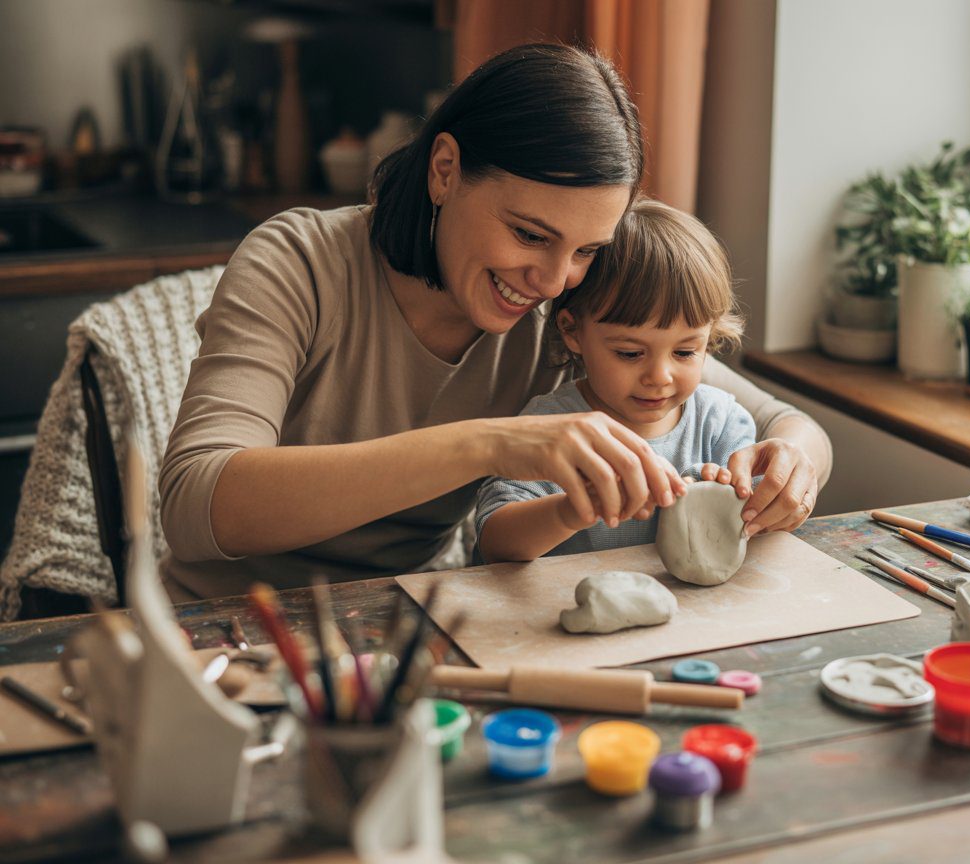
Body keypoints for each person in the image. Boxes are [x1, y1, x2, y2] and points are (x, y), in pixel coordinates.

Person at [159, 43, 832, 600]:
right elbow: (197, 504)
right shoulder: (298, 263)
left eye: (587, 250)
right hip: (227, 626)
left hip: (406, 618)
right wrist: (491, 444)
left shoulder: (570, 309)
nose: (553, 281)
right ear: (446, 170)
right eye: (530, 234)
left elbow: (783, 422)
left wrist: (792, 465)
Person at [475, 198, 757, 563]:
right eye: (629, 353)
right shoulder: (549, 426)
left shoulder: (719, 425)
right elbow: (495, 541)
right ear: (573, 331)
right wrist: (573, 510)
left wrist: (747, 499)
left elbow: (762, 520)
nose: (659, 377)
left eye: (685, 352)